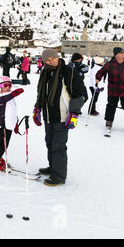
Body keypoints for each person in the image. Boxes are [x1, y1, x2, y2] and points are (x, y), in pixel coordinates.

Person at [33, 49, 84, 186]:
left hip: (62, 115)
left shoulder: (68, 71)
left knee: (58, 145)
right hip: (49, 114)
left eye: (53, 58)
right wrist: (37, 107)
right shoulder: (45, 72)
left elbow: (79, 94)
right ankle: (53, 167)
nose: (52, 62)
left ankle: (59, 176)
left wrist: (74, 113)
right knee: (49, 142)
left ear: (58, 57)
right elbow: (41, 92)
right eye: (48, 60)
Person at [0, 77, 24, 171]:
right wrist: (12, 94)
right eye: (5, 85)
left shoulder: (9, 96)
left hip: (9, 124)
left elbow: (12, 111)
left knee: (2, 143)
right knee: (3, 144)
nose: (8, 87)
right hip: (2, 124)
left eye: (10, 85)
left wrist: (16, 123)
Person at [95, 47, 124, 137]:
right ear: (116, 55)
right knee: (111, 105)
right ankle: (109, 121)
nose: (122, 55)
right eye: (120, 53)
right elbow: (101, 71)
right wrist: (98, 78)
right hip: (113, 89)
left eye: (123, 53)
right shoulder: (110, 64)